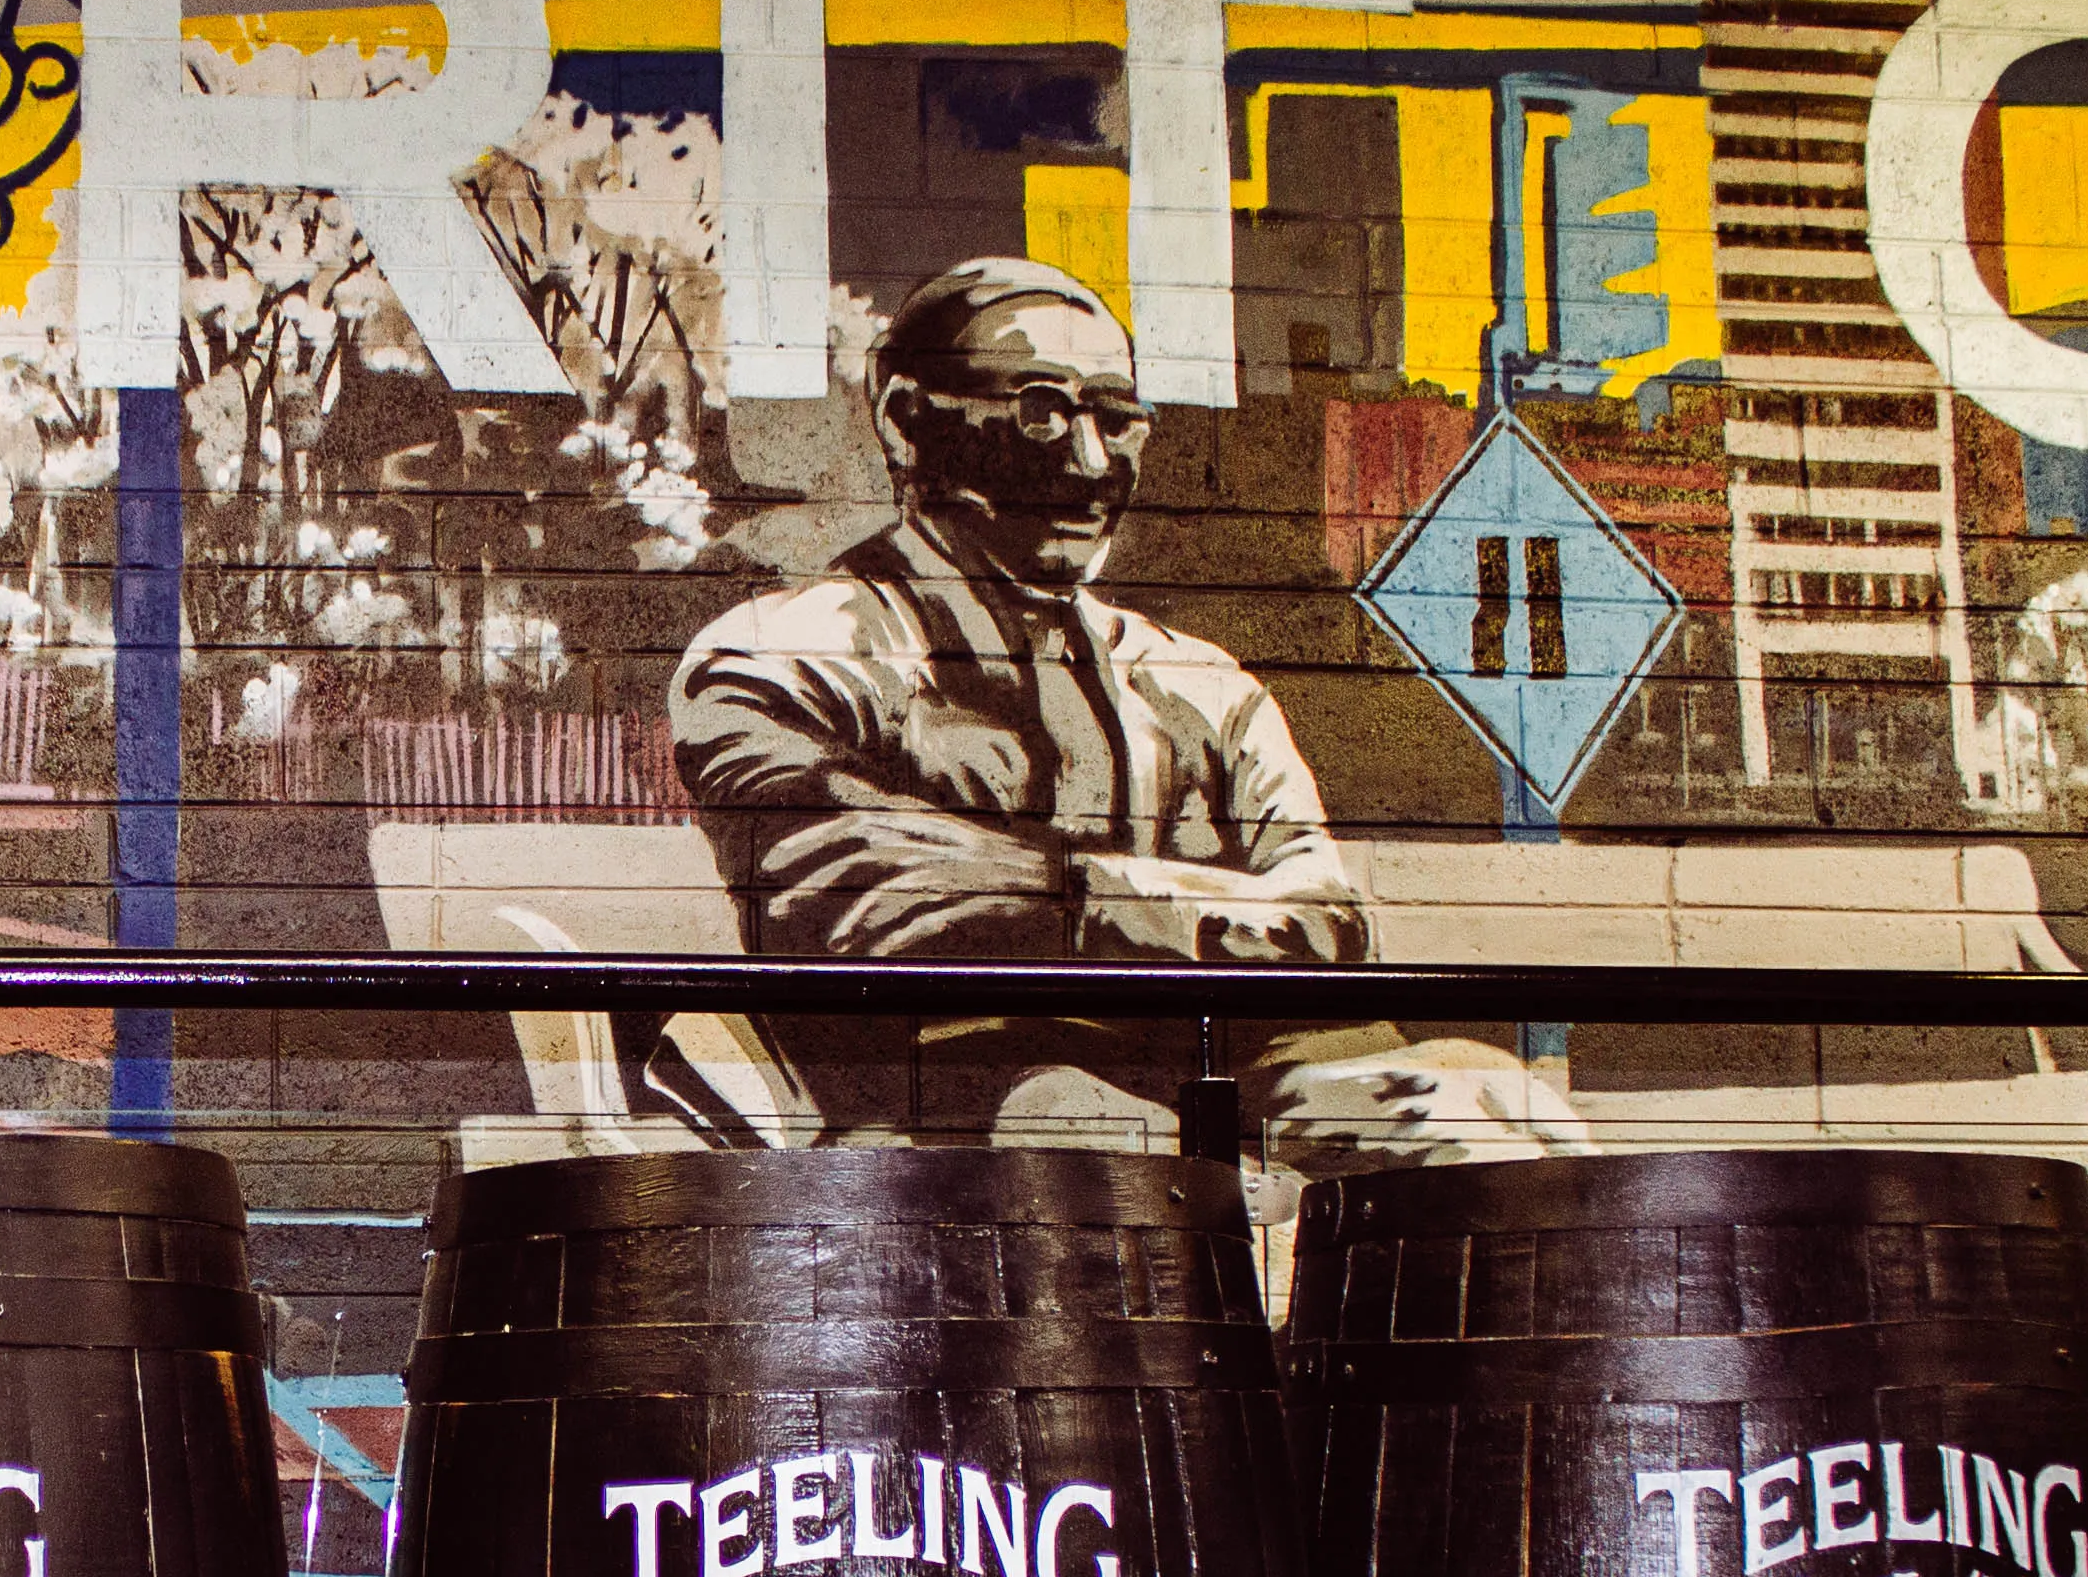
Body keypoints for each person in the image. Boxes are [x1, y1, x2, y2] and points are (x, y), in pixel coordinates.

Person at [663, 256, 1583, 1162]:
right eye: (1040, 412)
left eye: (1115, 417)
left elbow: (1328, 925)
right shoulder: (784, 655)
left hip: (1234, 1073)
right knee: (1091, 1132)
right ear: (907, 421)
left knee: (1494, 1116)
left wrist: (1070, 902)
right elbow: (866, 897)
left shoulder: (1195, 682)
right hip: (964, 1111)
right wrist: (1180, 909)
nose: (1090, 460)